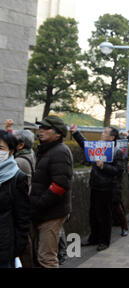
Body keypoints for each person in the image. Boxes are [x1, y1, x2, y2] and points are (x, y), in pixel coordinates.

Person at [70, 124, 125, 251]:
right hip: (95, 185)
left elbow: (119, 170)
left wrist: (103, 166)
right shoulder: (98, 146)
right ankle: (93, 238)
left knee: (105, 215)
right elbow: (85, 144)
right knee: (93, 214)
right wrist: (76, 133)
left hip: (107, 188)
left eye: (105, 133)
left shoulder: (117, 151)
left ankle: (104, 241)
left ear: (111, 138)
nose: (102, 134)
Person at [30, 115, 72, 268]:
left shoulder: (60, 151)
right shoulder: (46, 149)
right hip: (42, 212)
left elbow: (60, 185)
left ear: (58, 133)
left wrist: (39, 204)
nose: (41, 130)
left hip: (51, 214)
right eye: (40, 127)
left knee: (47, 258)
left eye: (46, 128)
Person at [0, 130, 30, 268]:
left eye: (0, 148)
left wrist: (17, 249)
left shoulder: (17, 178)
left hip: (4, 246)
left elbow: (22, 217)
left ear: (11, 151)